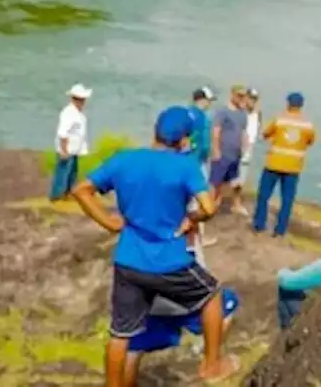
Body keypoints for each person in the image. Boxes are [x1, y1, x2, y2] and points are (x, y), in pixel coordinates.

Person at [70, 106, 240, 385]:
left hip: (128, 259)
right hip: (168, 261)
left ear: (155, 131)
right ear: (185, 139)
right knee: (213, 296)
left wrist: (109, 222)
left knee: (121, 334)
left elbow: (81, 190)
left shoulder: (124, 159)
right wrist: (192, 217)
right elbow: (209, 206)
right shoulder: (185, 166)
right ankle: (211, 365)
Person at [123, 286, 240, 386]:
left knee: (132, 344)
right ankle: (211, 367)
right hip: (179, 297)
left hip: (141, 300)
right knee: (222, 300)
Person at [252, 92, 317, 238]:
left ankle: (259, 225)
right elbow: (311, 141)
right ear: (301, 106)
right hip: (293, 167)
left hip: (274, 164)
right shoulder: (307, 124)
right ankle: (280, 230)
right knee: (287, 200)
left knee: (264, 195)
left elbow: (266, 134)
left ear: (288, 103)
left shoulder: (279, 119)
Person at [209, 85, 249, 213]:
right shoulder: (223, 112)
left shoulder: (243, 114)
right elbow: (216, 131)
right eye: (239, 95)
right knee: (216, 181)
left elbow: (243, 132)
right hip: (223, 152)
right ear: (232, 95)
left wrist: (244, 148)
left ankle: (234, 204)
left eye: (243, 96)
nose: (241, 99)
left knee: (233, 180)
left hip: (235, 154)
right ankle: (210, 205)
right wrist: (216, 150)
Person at [186, 86, 215, 254]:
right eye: (208, 101)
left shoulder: (190, 114)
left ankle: (196, 235)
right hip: (196, 162)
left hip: (194, 160)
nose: (209, 104)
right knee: (199, 199)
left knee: (192, 200)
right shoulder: (198, 116)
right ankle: (198, 237)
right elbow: (198, 141)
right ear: (201, 99)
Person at [50, 83, 92, 201]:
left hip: (74, 150)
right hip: (67, 150)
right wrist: (64, 150)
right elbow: (63, 133)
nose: (82, 102)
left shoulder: (78, 114)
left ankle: (67, 194)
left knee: (71, 174)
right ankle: (57, 197)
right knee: (62, 174)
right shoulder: (68, 113)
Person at [235, 87, 263, 216]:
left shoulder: (258, 114)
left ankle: (236, 202)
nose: (252, 101)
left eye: (254, 99)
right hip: (237, 147)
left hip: (249, 148)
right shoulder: (239, 112)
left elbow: (257, 130)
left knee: (242, 177)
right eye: (250, 98)